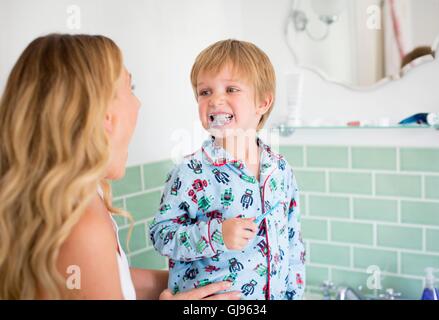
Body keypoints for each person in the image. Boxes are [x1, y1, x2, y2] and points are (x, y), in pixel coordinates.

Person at [0, 33, 240, 300]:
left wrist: (191, 282)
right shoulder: (82, 227)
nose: (138, 103)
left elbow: (107, 278)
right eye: (131, 88)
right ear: (104, 116)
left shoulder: (80, 199)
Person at [149, 39, 306, 300]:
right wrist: (215, 235)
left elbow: (293, 241)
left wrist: (295, 294)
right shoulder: (191, 172)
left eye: (231, 89)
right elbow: (161, 235)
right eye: (205, 92)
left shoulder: (279, 169)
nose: (215, 100)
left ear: (263, 103)